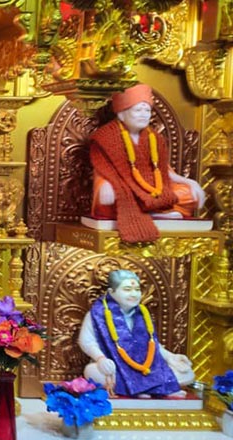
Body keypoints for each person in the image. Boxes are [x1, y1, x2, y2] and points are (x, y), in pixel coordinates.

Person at [89, 84, 205, 243]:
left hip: (153, 190)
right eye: (138, 110)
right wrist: (105, 184)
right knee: (110, 199)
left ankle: (151, 209)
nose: (144, 115)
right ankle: (152, 210)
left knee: (189, 195)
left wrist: (189, 182)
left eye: (147, 110)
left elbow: (164, 171)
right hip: (123, 190)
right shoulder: (105, 137)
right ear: (122, 114)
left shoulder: (154, 138)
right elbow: (102, 168)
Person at [79, 269, 194, 397]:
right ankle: (148, 388)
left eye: (137, 290)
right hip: (115, 366)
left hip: (147, 366)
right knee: (92, 371)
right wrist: (101, 359)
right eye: (127, 290)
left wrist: (170, 357)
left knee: (187, 373)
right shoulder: (97, 315)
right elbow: (87, 341)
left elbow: (152, 344)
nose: (134, 294)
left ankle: (142, 388)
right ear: (112, 292)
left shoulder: (143, 314)